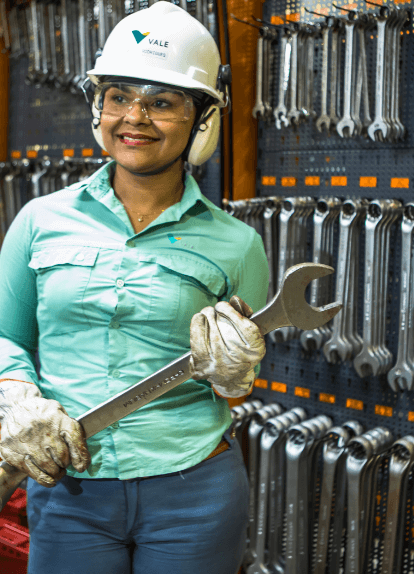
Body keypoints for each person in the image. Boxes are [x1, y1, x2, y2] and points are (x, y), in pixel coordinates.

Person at [0, 3, 269, 573]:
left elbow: (238, 390)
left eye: (162, 101)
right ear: (98, 106)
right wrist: (15, 396)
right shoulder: (37, 221)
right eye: (119, 96)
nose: (134, 118)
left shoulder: (238, 245)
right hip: (69, 487)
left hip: (194, 489)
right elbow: (6, 336)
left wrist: (234, 370)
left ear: (202, 121)